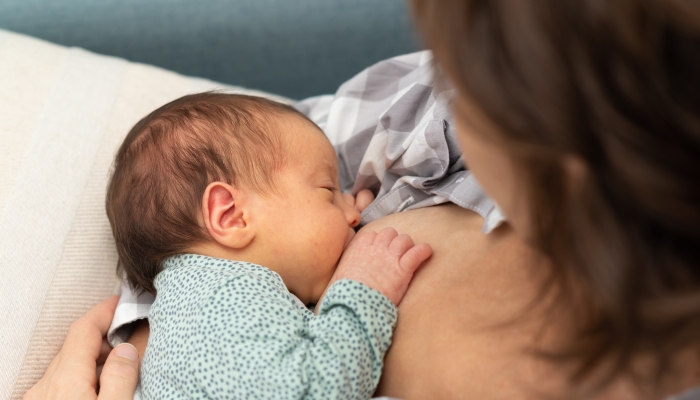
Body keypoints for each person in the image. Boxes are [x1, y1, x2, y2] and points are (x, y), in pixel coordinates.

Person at [29, 0, 700, 399]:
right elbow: (238, 164)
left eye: (465, 73)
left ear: (565, 150)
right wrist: (151, 337)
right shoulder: (411, 126)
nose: (354, 205)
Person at [104, 92, 432, 399]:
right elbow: (312, 390)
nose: (354, 214)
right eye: (328, 189)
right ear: (231, 215)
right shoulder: (223, 300)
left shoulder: (192, 306)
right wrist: (363, 288)